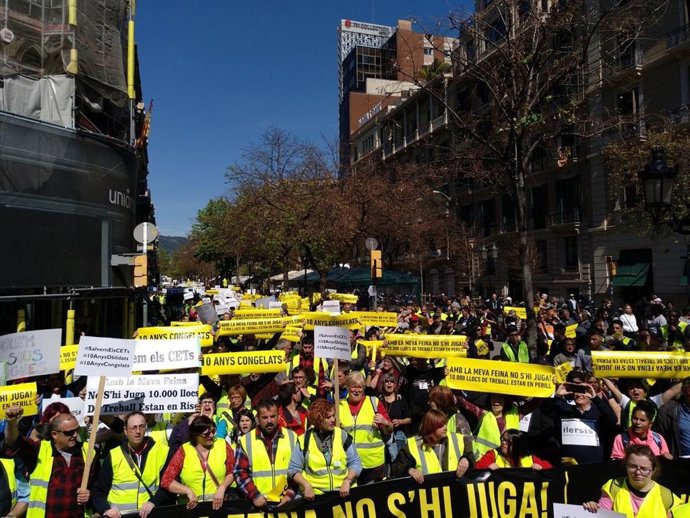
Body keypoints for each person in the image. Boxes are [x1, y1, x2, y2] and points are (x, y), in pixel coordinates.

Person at [4, 407, 93, 518]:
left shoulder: (88, 452)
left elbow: (98, 488)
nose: (75, 435)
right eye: (69, 433)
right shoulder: (39, 450)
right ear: (54, 434)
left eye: (77, 430)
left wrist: (90, 494)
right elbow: (14, 442)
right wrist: (11, 423)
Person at [91, 411, 172, 518]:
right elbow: (98, 491)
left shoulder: (163, 452)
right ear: (125, 431)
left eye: (141, 427)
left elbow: (169, 487)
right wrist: (106, 509)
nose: (137, 431)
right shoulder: (113, 455)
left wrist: (153, 502)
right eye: (133, 428)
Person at [288, 399, 362, 500]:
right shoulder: (304, 440)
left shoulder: (342, 435)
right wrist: (306, 486)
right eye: (328, 417)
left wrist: (347, 481)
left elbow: (356, 462)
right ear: (318, 419)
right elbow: (293, 469)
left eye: (333, 416)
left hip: (343, 494)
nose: (333, 420)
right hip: (316, 497)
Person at [583, 445, 680, 517]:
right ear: (626, 466)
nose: (638, 472)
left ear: (653, 470)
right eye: (633, 466)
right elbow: (602, 515)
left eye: (644, 469)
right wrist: (593, 508)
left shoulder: (666, 496)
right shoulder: (613, 487)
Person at [161, 416, 235, 511]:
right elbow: (166, 480)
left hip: (218, 509)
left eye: (213, 431)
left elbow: (233, 471)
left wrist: (222, 488)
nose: (211, 435)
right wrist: (187, 491)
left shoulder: (222, 445)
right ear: (196, 435)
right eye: (206, 434)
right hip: (191, 510)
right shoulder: (184, 450)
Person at [234, 399, 297, 509]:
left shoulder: (292, 437)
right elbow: (239, 471)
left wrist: (290, 493)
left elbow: (300, 469)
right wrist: (254, 495)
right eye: (264, 417)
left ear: (278, 415)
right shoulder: (246, 440)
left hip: (287, 503)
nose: (269, 421)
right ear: (258, 418)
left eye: (272, 416)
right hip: (259, 504)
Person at [338, 372, 393, 484]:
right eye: (353, 386)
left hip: (372, 464)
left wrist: (385, 422)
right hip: (348, 463)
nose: (357, 390)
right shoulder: (339, 405)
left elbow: (390, 429)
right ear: (347, 387)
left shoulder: (374, 402)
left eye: (360, 387)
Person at [390, 409, 471, 484]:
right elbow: (396, 466)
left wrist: (466, 459)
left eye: (445, 424)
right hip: (429, 494)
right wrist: (409, 470)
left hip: (455, 490)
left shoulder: (458, 439)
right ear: (431, 428)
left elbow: (470, 456)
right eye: (440, 426)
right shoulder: (413, 444)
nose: (445, 428)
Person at [475, 429, 552, 470]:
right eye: (503, 439)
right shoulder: (494, 454)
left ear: (518, 445)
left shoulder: (529, 458)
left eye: (508, 442)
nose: (503, 443)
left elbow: (550, 468)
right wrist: (487, 466)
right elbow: (477, 466)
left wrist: (540, 467)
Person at [654, 377, 690, 458]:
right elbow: (657, 436)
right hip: (681, 465)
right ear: (683, 390)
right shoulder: (668, 410)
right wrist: (664, 452)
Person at [379, 371, 411, 461]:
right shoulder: (379, 399)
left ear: (395, 385)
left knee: (398, 461)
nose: (389, 383)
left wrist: (400, 422)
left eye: (392, 381)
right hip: (382, 434)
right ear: (383, 384)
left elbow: (409, 419)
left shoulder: (401, 399)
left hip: (398, 435)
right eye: (387, 381)